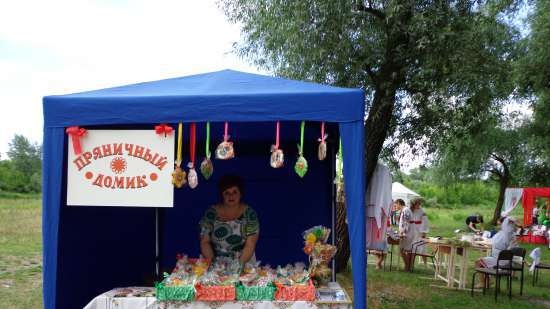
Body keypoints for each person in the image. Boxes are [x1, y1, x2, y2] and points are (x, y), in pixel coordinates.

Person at [199, 175, 259, 265]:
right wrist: (212, 263)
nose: (231, 196)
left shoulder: (249, 214)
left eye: (235, 192)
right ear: (221, 195)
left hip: (244, 263)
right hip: (217, 264)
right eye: (227, 193)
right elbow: (205, 242)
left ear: (240, 194)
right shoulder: (211, 214)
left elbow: (250, 244)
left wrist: (239, 265)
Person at [474, 217, 517, 287]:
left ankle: (484, 282)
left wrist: (506, 217)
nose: (498, 226)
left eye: (499, 224)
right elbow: (493, 241)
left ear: (504, 224)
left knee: (478, 262)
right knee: (481, 261)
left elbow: (498, 244)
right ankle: (487, 281)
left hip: (501, 261)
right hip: (502, 259)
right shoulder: (506, 233)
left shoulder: (507, 234)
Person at [398, 198, 429, 271]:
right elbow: (403, 221)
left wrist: (423, 232)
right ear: (413, 204)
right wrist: (402, 231)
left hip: (418, 231)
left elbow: (425, 222)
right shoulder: (407, 210)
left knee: (413, 249)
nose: (419, 205)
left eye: (420, 203)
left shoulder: (422, 211)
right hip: (408, 230)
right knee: (403, 248)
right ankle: (407, 264)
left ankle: (410, 266)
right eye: (418, 203)